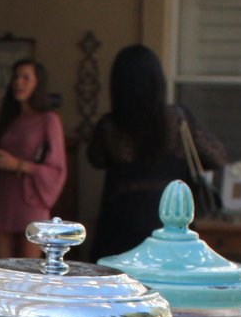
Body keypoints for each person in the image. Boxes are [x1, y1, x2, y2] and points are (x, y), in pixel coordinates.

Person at [87, 44, 226, 260]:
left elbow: (95, 159)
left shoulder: (109, 126)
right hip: (169, 220)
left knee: (119, 287)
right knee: (170, 286)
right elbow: (217, 156)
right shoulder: (177, 119)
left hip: (119, 222)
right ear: (158, 81)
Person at [0, 59, 66, 259]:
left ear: (37, 83)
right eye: (16, 77)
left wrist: (19, 165)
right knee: (1, 269)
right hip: (4, 197)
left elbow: (57, 168)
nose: (18, 82)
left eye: (26, 78)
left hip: (31, 199)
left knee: (29, 271)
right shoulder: (9, 120)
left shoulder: (48, 120)